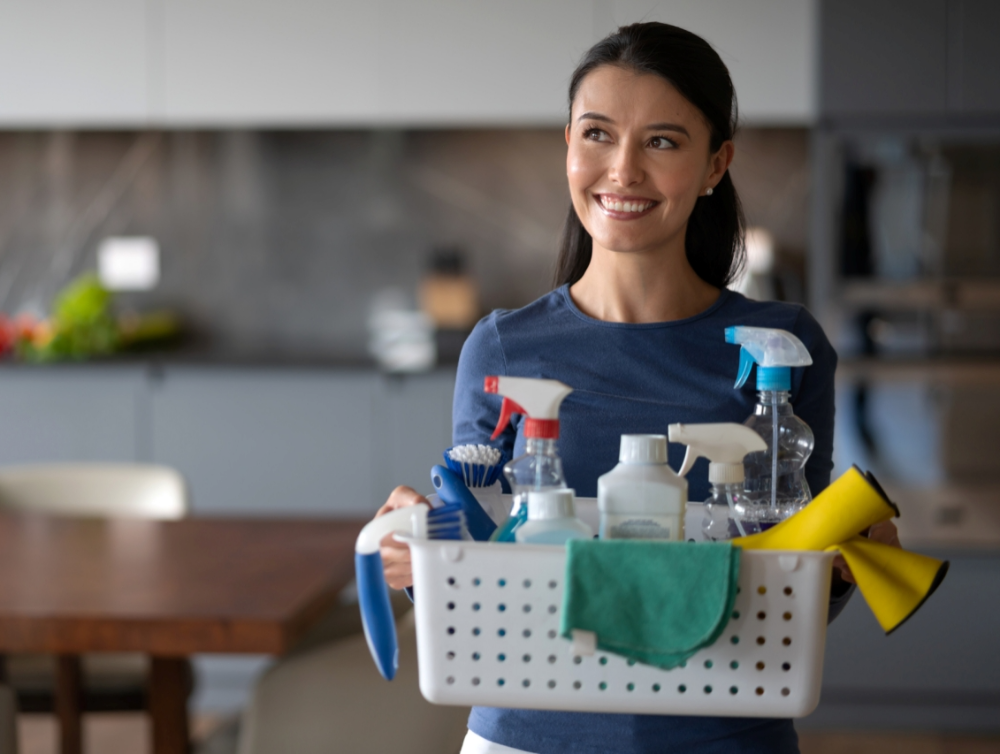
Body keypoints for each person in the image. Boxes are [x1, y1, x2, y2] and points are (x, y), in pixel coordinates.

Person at [374, 22, 900, 754]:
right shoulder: (502, 346)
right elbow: (478, 572)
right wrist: (420, 556)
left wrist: (846, 564)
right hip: (530, 735)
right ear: (568, 146)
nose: (621, 171)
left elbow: (792, 591)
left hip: (723, 730)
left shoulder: (784, 348)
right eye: (597, 134)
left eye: (662, 141)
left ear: (716, 164)